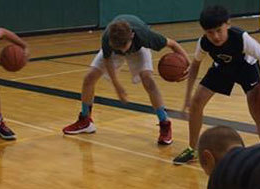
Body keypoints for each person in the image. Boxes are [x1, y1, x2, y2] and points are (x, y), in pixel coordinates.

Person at [172, 5, 260, 165]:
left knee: (257, 111)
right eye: (210, 32)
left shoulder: (242, 38)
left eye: (219, 30)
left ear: (228, 24)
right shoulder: (204, 43)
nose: (215, 36)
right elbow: (195, 66)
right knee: (196, 102)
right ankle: (193, 150)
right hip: (223, 66)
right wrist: (187, 98)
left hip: (246, 68)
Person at [63, 14, 189, 145]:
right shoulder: (108, 38)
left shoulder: (145, 35)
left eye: (124, 46)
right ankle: (85, 120)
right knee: (89, 78)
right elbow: (107, 60)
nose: (123, 50)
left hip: (138, 49)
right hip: (116, 50)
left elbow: (173, 44)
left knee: (149, 81)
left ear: (132, 36)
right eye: (119, 47)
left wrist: (188, 65)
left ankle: (164, 123)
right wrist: (117, 86)